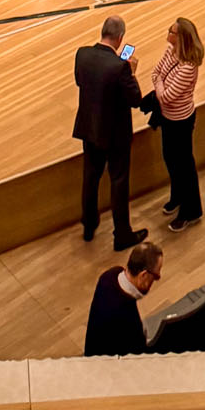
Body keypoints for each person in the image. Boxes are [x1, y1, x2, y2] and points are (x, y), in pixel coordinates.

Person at [73, 15, 146, 248]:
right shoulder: (120, 68)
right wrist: (131, 72)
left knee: (91, 177)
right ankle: (122, 234)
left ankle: (89, 225)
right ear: (120, 38)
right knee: (118, 180)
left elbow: (80, 82)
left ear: (102, 31)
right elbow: (135, 99)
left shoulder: (82, 54)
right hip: (115, 134)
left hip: (89, 127)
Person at [151, 16, 204, 230]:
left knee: (184, 166)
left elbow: (166, 96)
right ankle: (177, 196)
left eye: (171, 32)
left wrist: (159, 84)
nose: (168, 34)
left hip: (180, 121)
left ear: (180, 38)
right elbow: (155, 73)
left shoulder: (188, 67)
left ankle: (190, 211)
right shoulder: (170, 51)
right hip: (168, 118)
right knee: (170, 159)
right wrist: (160, 83)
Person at [84, 240, 163, 357]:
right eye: (156, 276)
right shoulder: (127, 319)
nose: (157, 279)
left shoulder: (110, 275)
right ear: (143, 275)